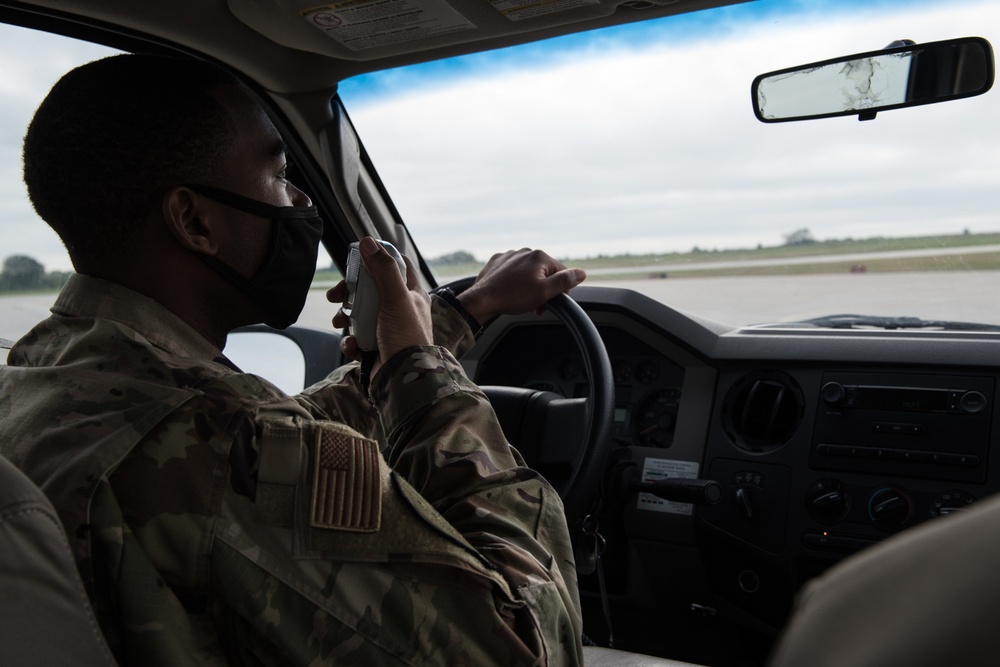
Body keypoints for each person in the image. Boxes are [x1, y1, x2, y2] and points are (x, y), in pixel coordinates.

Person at [0, 53, 587, 666]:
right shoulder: (229, 452)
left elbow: (260, 427)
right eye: (281, 174)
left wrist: (459, 314)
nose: (301, 200)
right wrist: (425, 374)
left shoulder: (43, 372)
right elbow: (526, 646)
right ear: (194, 221)